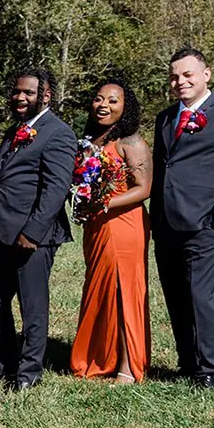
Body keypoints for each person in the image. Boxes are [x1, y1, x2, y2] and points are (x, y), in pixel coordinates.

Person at [150, 47, 214, 389]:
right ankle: (187, 362)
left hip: (204, 225)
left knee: (202, 298)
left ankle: (210, 371)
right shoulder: (165, 118)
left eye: (188, 74)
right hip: (166, 226)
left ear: (206, 74)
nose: (180, 81)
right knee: (176, 296)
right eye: (175, 76)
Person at [0, 68, 77, 392]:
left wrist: (32, 232)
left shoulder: (58, 133)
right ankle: (5, 365)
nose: (20, 97)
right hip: (1, 231)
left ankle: (28, 374)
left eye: (28, 93)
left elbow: (56, 189)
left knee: (32, 306)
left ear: (45, 96)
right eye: (17, 91)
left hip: (34, 236)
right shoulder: (13, 132)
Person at [69, 78, 153, 384]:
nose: (103, 105)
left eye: (113, 101)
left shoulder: (131, 142)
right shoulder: (90, 142)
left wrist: (104, 203)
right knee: (102, 289)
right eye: (99, 99)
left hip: (124, 225)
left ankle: (129, 366)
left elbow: (144, 189)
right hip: (97, 226)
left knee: (123, 291)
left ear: (125, 107)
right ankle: (101, 357)